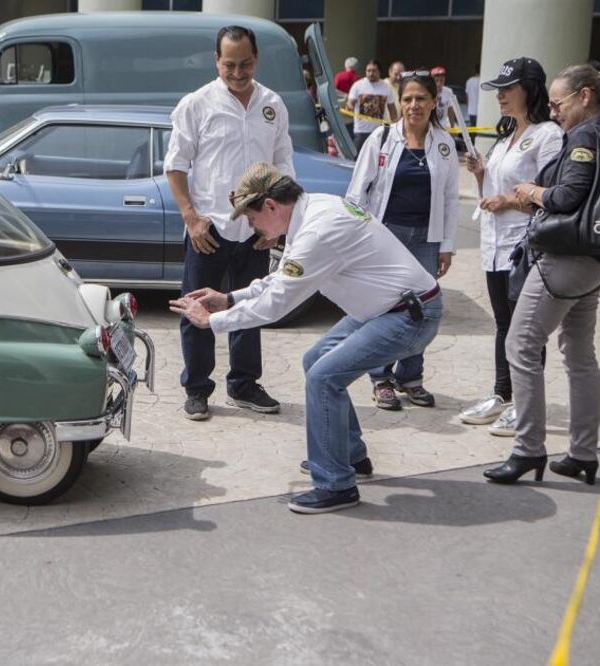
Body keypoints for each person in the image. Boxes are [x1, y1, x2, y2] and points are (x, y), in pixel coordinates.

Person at [170, 164, 442, 514]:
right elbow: (282, 279)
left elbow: (276, 304)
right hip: (388, 309)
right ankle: (350, 455)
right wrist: (230, 298)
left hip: (409, 316)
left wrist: (213, 320)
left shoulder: (318, 231)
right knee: (316, 360)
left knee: (323, 377)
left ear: (270, 206)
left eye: (251, 220)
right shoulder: (316, 210)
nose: (251, 228)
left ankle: (335, 485)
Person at [484, 65, 600, 485]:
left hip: (568, 256)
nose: (555, 111)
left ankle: (527, 449)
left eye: (559, 104)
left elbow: (566, 196)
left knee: (520, 343)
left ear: (584, 96)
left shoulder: (584, 136)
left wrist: (531, 192)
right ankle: (581, 453)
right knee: (579, 353)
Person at [164, 25, 295, 421]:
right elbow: (175, 165)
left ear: (257, 59)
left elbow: (284, 165)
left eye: (246, 64)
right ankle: (197, 389)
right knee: (198, 310)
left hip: (255, 231)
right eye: (230, 64)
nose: (238, 72)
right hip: (210, 230)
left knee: (250, 307)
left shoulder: (272, 105)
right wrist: (191, 217)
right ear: (216, 61)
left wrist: (276, 224)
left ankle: (243, 384)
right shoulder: (197, 104)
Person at [460, 57, 563, 436]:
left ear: (530, 90)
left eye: (508, 88)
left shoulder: (549, 135)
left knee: (526, 330)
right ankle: (502, 394)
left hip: (526, 247)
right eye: (499, 89)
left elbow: (554, 194)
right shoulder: (507, 138)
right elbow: (495, 191)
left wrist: (508, 201)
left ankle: (525, 403)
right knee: (504, 323)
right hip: (495, 247)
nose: (500, 96)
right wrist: (481, 174)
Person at [346, 70, 459, 410]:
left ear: (433, 102)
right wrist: (359, 238)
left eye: (421, 98)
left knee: (421, 311)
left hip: (426, 238)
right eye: (407, 99)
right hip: (386, 236)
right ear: (399, 101)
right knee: (384, 308)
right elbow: (356, 192)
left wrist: (447, 246)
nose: (414, 105)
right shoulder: (381, 139)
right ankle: (381, 378)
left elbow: (451, 198)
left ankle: (411, 377)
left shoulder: (444, 144)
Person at [346, 59, 398, 153]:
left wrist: (395, 125)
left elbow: (392, 109)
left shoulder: (386, 87)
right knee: (357, 158)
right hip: (361, 131)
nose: (371, 73)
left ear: (379, 72)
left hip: (380, 131)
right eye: (368, 70)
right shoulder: (358, 85)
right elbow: (351, 102)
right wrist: (349, 106)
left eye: (374, 71)